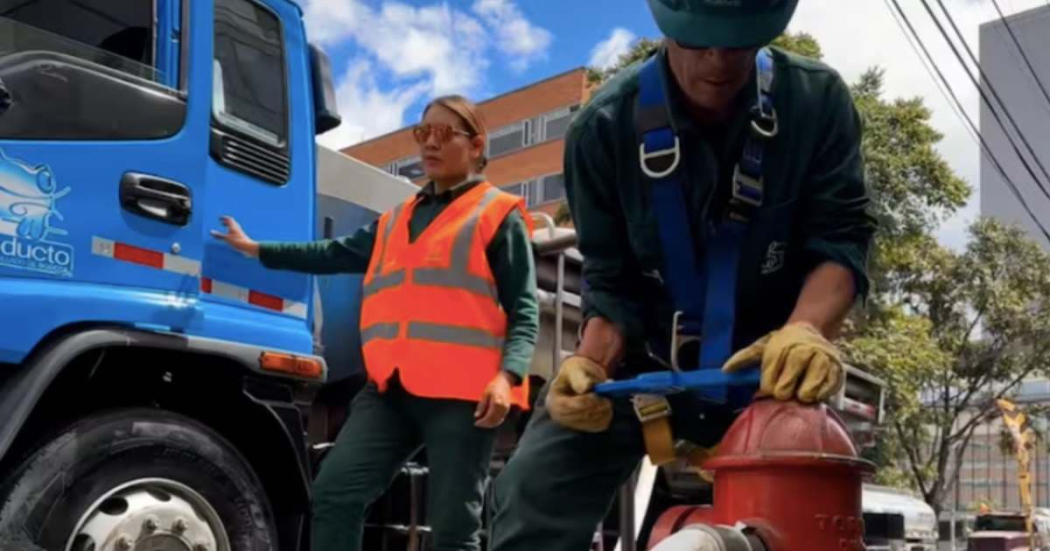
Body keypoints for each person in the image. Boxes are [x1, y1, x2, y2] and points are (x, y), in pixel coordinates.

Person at [488, 1, 877, 549]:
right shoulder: (602, 128)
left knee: (806, 501)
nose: (719, 60)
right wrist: (589, 362)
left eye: (738, 43)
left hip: (768, 371)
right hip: (644, 373)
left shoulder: (816, 102)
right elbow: (610, 278)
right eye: (699, 43)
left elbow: (841, 237)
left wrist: (807, 331)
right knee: (533, 487)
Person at [211, 95, 539, 551]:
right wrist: (257, 249)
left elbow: (524, 309)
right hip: (389, 391)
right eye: (423, 133)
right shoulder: (395, 220)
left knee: (453, 530)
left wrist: (508, 377)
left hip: (462, 398)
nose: (430, 143)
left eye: (444, 133)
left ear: (477, 144)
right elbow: (332, 252)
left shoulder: (497, 215)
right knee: (335, 494)